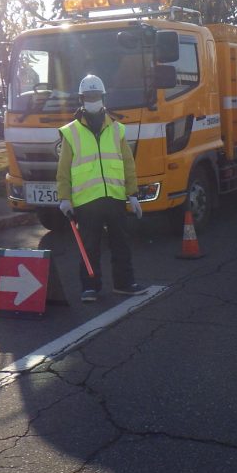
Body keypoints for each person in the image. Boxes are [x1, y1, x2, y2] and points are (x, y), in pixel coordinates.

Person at [57, 74, 146, 303]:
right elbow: (63, 169)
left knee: (121, 244)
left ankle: (125, 284)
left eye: (96, 96)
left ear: (103, 97)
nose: (92, 99)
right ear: (81, 99)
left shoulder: (117, 129)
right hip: (87, 202)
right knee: (89, 247)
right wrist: (64, 198)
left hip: (115, 198)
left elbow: (128, 163)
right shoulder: (71, 132)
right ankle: (90, 287)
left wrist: (133, 194)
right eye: (88, 96)